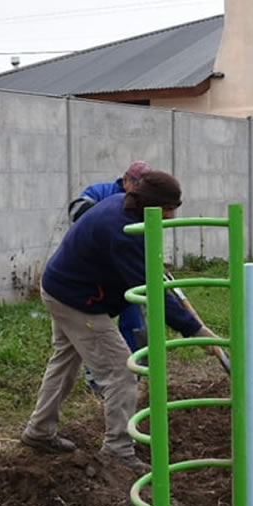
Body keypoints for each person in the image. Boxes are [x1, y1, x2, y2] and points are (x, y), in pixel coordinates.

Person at [22, 171, 215, 472]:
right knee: (121, 372)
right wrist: (194, 328)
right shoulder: (122, 230)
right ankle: (117, 449)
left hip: (62, 287)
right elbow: (152, 291)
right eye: (170, 209)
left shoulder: (125, 208)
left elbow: (149, 274)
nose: (172, 215)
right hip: (76, 300)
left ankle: (39, 431)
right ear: (155, 206)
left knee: (65, 362)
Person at [69, 161, 153, 393]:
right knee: (93, 329)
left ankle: (136, 370)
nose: (139, 191)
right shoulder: (101, 192)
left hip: (124, 274)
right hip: (95, 276)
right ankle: (98, 378)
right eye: (136, 185)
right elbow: (76, 212)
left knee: (133, 320)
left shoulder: (144, 202)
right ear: (125, 180)